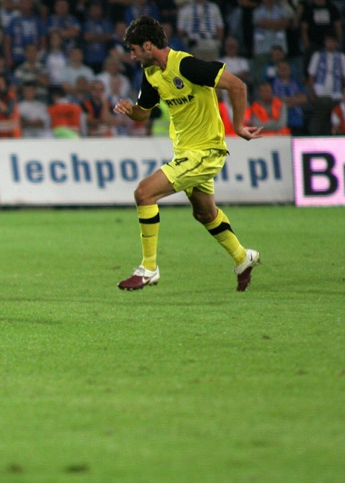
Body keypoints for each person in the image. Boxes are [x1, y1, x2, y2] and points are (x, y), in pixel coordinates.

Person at [112, 16, 263, 293]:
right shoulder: (151, 74)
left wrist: (238, 125)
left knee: (144, 193)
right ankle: (243, 259)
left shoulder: (186, 65)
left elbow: (237, 86)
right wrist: (128, 109)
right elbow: (142, 114)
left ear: (148, 45)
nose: (131, 56)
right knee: (205, 214)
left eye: (134, 49)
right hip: (186, 151)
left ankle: (148, 268)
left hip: (206, 151)